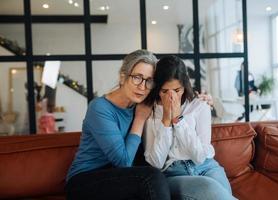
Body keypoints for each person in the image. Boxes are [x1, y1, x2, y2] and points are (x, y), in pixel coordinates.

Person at [65, 50, 171, 200]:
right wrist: (139, 119)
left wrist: (202, 101)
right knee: (151, 178)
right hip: (84, 181)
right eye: (137, 77)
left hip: (119, 178)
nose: (142, 86)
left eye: (149, 80)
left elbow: (176, 96)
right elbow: (123, 162)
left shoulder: (141, 104)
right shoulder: (100, 108)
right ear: (122, 77)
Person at [143, 55, 236, 200]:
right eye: (164, 91)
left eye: (177, 90)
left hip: (207, 167)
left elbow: (200, 156)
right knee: (209, 188)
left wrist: (178, 119)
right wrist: (166, 120)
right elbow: (156, 163)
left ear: (185, 85)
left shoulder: (199, 106)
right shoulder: (150, 112)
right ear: (157, 88)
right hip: (174, 173)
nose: (171, 97)